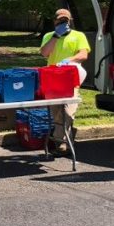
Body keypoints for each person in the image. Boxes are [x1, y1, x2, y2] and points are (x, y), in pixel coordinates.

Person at [39, 8, 90, 154]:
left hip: (70, 78)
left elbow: (83, 54)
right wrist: (56, 36)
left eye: (65, 21)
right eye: (60, 20)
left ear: (70, 21)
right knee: (56, 112)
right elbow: (44, 53)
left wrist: (70, 60)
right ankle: (65, 138)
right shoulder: (49, 36)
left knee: (68, 111)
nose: (62, 23)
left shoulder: (78, 36)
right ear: (55, 21)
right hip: (52, 79)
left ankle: (60, 141)